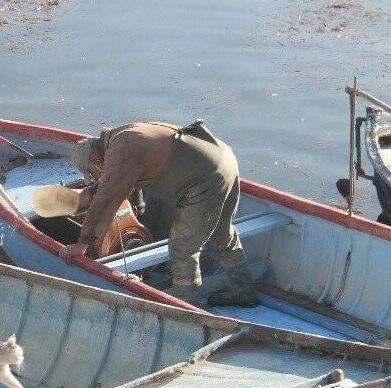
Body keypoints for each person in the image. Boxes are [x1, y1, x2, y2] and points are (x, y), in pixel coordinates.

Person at [58, 120, 258, 307]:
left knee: (183, 247)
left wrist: (83, 243)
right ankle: (244, 291)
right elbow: (125, 179)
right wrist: (93, 192)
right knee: (222, 233)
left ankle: (188, 309)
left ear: (96, 162)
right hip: (224, 161)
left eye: (93, 173)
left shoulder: (121, 152)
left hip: (205, 180)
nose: (95, 176)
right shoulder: (123, 136)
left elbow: (107, 200)